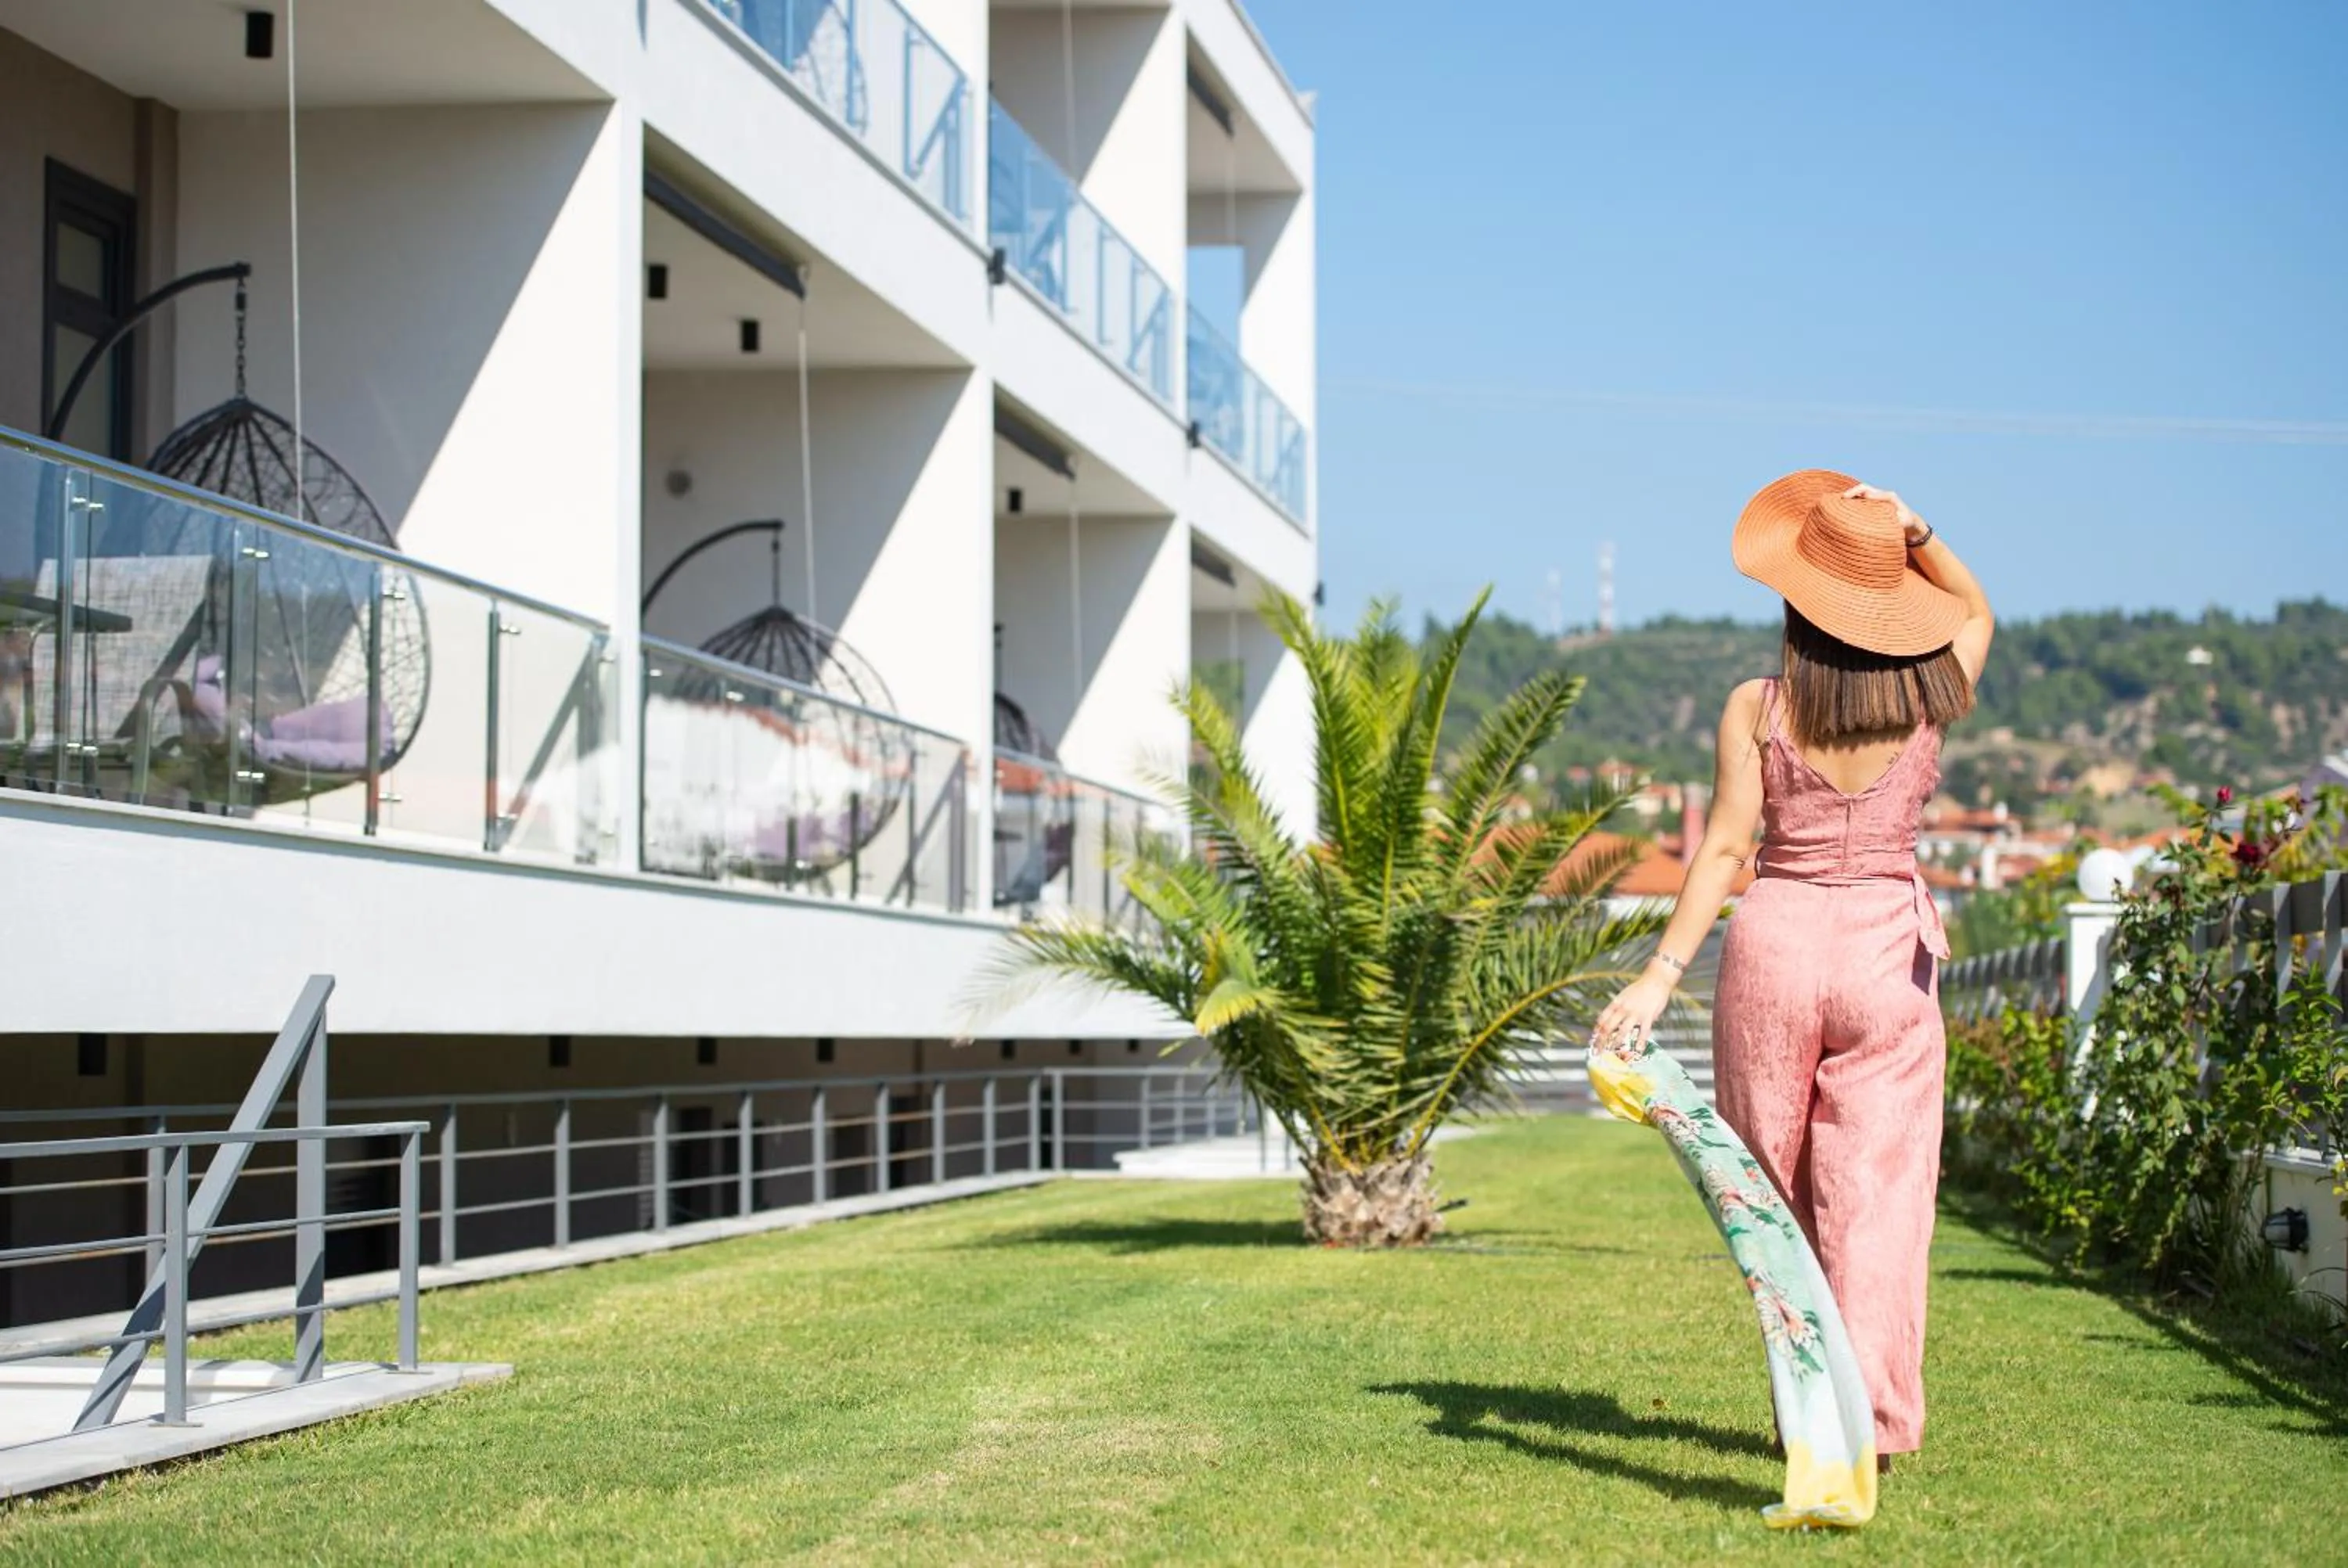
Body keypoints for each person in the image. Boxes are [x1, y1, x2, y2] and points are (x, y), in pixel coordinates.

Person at [1593, 469, 1994, 1473]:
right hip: (1885, 959)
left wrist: (1656, 979)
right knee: (1881, 1200)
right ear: (1894, 601)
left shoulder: (1757, 706)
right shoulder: (1934, 689)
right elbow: (1979, 606)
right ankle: (1880, 1428)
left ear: (1796, 600)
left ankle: (1808, 1412)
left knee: (1773, 1200)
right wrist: (1915, 530)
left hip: (1774, 950)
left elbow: (1726, 851)